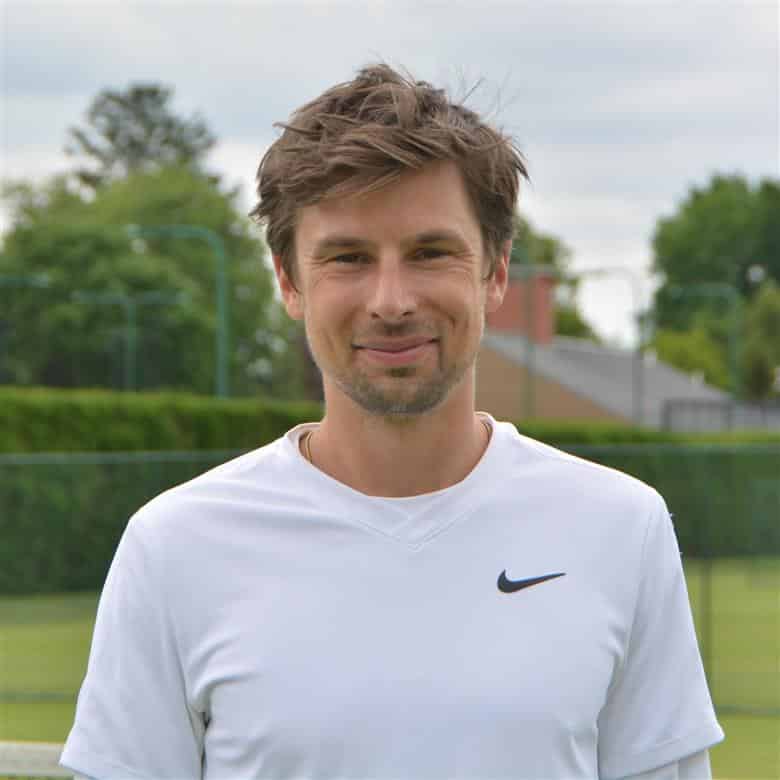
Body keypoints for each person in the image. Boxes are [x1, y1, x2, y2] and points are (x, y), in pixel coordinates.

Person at [61, 63, 724, 779]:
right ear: (289, 281)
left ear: (496, 271)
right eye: (348, 257)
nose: (391, 299)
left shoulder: (622, 528)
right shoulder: (173, 548)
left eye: (430, 252)